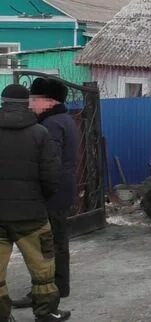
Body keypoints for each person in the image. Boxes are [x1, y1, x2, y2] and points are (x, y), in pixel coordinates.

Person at [0, 84, 71, 322]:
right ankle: (46, 313)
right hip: (32, 216)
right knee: (43, 269)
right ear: (25, 104)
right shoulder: (40, 132)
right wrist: (39, 199)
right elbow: (52, 176)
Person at [13, 79, 78, 309]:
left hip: (52, 194)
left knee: (47, 245)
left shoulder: (50, 125)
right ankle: (61, 285)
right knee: (58, 241)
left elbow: (51, 164)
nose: (31, 105)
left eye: (34, 100)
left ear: (49, 101)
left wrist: (39, 190)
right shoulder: (65, 120)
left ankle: (46, 290)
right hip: (63, 191)